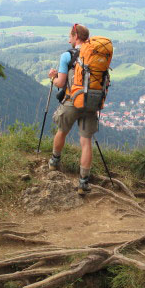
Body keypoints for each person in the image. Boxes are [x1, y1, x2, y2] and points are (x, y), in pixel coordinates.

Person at [47, 24, 97, 195]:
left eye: (70, 36)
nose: (69, 40)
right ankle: (83, 182)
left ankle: (54, 163)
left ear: (76, 36)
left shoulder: (67, 55)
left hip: (71, 102)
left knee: (62, 131)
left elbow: (60, 83)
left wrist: (53, 78)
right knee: (86, 142)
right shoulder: (95, 55)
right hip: (91, 103)